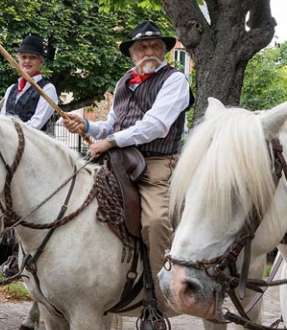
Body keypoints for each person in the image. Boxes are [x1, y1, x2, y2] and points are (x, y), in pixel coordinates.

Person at [64, 19, 194, 304]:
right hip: (119, 160)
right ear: (132, 53)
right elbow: (112, 125)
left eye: (154, 46)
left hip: (157, 163)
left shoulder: (175, 80)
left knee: (155, 221)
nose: (148, 51)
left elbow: (156, 126)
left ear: (164, 51)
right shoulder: (124, 80)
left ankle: (161, 294)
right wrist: (86, 126)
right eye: (141, 47)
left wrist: (110, 142)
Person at [0, 35, 58, 132]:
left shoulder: (47, 89)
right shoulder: (11, 89)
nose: (27, 61)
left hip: (36, 145)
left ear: (41, 61)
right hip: (9, 143)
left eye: (32, 57)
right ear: (18, 60)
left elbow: (36, 125)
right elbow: (2, 119)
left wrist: (10, 133)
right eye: (24, 57)